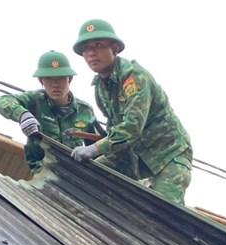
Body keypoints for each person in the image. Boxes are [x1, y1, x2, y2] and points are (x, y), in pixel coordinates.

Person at [70, 19, 193, 204]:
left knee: (167, 212)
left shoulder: (134, 76)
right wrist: (98, 150)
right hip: (134, 154)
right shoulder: (101, 87)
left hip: (168, 154)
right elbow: (115, 127)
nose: (91, 53)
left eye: (99, 45)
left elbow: (132, 126)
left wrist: (94, 149)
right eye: (86, 48)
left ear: (115, 49)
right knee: (89, 176)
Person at [0, 50, 100, 173]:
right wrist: (23, 115)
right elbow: (3, 101)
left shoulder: (85, 111)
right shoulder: (35, 101)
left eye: (60, 78)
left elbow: (97, 147)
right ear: (41, 81)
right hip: (41, 171)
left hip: (76, 174)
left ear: (69, 79)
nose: (55, 84)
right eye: (48, 78)